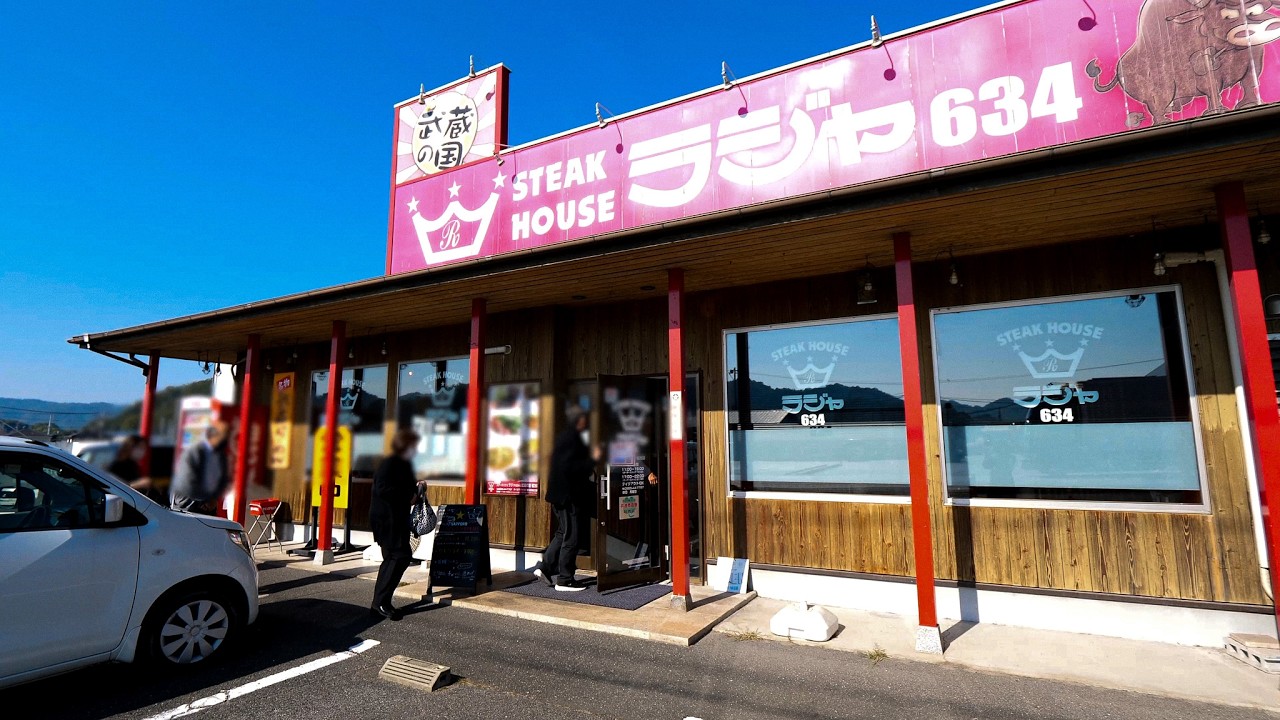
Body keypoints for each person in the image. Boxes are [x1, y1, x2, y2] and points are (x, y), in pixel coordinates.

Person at [535, 405, 600, 592]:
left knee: (563, 532)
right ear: (579, 421)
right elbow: (572, 469)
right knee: (572, 536)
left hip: (558, 494)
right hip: (568, 496)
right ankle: (565, 579)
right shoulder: (573, 439)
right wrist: (593, 460)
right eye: (584, 419)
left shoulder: (564, 437)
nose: (586, 422)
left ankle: (545, 567)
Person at [369, 428, 423, 620]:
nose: (416, 449)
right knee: (399, 557)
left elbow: (402, 487)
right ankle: (381, 602)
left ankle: (380, 602)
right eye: (414, 445)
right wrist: (408, 496)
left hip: (395, 520)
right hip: (387, 521)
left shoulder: (402, 463)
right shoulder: (391, 462)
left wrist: (416, 490)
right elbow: (384, 489)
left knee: (392, 559)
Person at [169, 421, 232, 515]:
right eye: (223, 436)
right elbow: (187, 483)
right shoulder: (193, 453)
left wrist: (214, 499)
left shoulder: (220, 457)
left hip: (207, 510)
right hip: (186, 508)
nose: (226, 440)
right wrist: (205, 499)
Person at [108, 434, 164, 503]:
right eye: (140, 447)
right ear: (130, 447)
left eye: (144, 448)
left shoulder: (133, 465)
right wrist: (140, 484)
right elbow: (116, 487)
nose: (142, 451)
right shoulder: (118, 465)